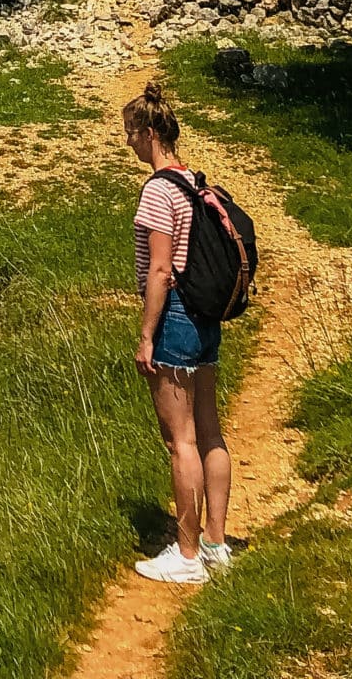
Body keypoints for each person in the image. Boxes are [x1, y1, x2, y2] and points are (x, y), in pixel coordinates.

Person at [124, 78, 232, 584]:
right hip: (207, 318)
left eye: (129, 132)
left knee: (180, 441)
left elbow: (161, 270)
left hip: (176, 320)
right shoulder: (197, 183)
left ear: (149, 132)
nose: (127, 142)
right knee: (211, 433)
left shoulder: (156, 192)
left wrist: (147, 335)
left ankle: (186, 557)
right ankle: (215, 543)